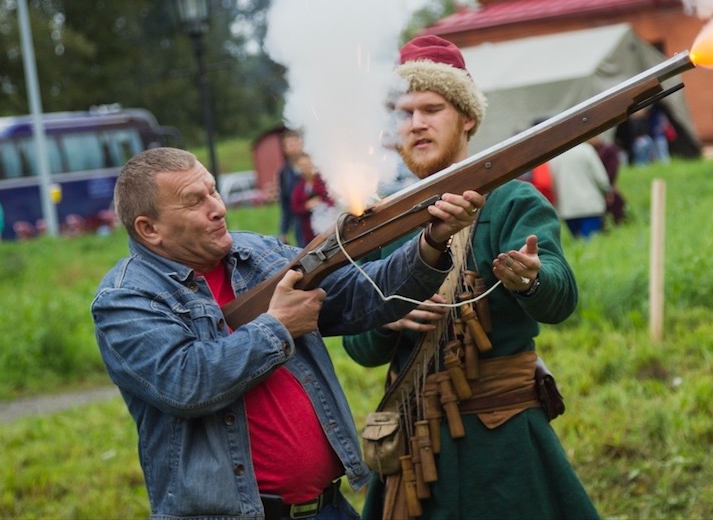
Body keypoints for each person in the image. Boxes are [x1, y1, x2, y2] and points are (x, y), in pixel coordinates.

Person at [91, 146, 484, 520]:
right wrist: (277, 328)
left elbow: (360, 296)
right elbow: (188, 382)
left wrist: (432, 240)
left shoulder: (256, 253)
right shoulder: (125, 299)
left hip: (327, 505)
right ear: (149, 229)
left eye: (212, 191)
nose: (219, 208)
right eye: (195, 202)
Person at [343, 35, 600, 520]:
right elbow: (360, 348)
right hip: (413, 448)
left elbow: (560, 298)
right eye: (402, 112)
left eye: (431, 108)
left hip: (502, 440)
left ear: (468, 118)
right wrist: (388, 321)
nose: (415, 123)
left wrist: (530, 279)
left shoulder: (513, 202)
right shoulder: (382, 221)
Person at [548, 137, 613, 240]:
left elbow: (549, 182)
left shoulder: (553, 155)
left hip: (567, 207)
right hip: (589, 205)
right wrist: (607, 191)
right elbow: (601, 178)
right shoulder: (586, 150)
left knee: (578, 243)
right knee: (591, 243)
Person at [290, 153, 337, 245]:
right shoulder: (299, 186)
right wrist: (306, 206)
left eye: (307, 164)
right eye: (302, 166)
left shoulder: (323, 181)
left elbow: (332, 199)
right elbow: (294, 208)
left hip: (328, 226)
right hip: (308, 232)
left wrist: (320, 202)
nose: (306, 168)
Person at [277, 128, 305, 244]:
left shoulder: (313, 165)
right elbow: (285, 204)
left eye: (296, 142)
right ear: (285, 149)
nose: (294, 147)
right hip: (299, 224)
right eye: (290, 144)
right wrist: (283, 231)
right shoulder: (283, 173)